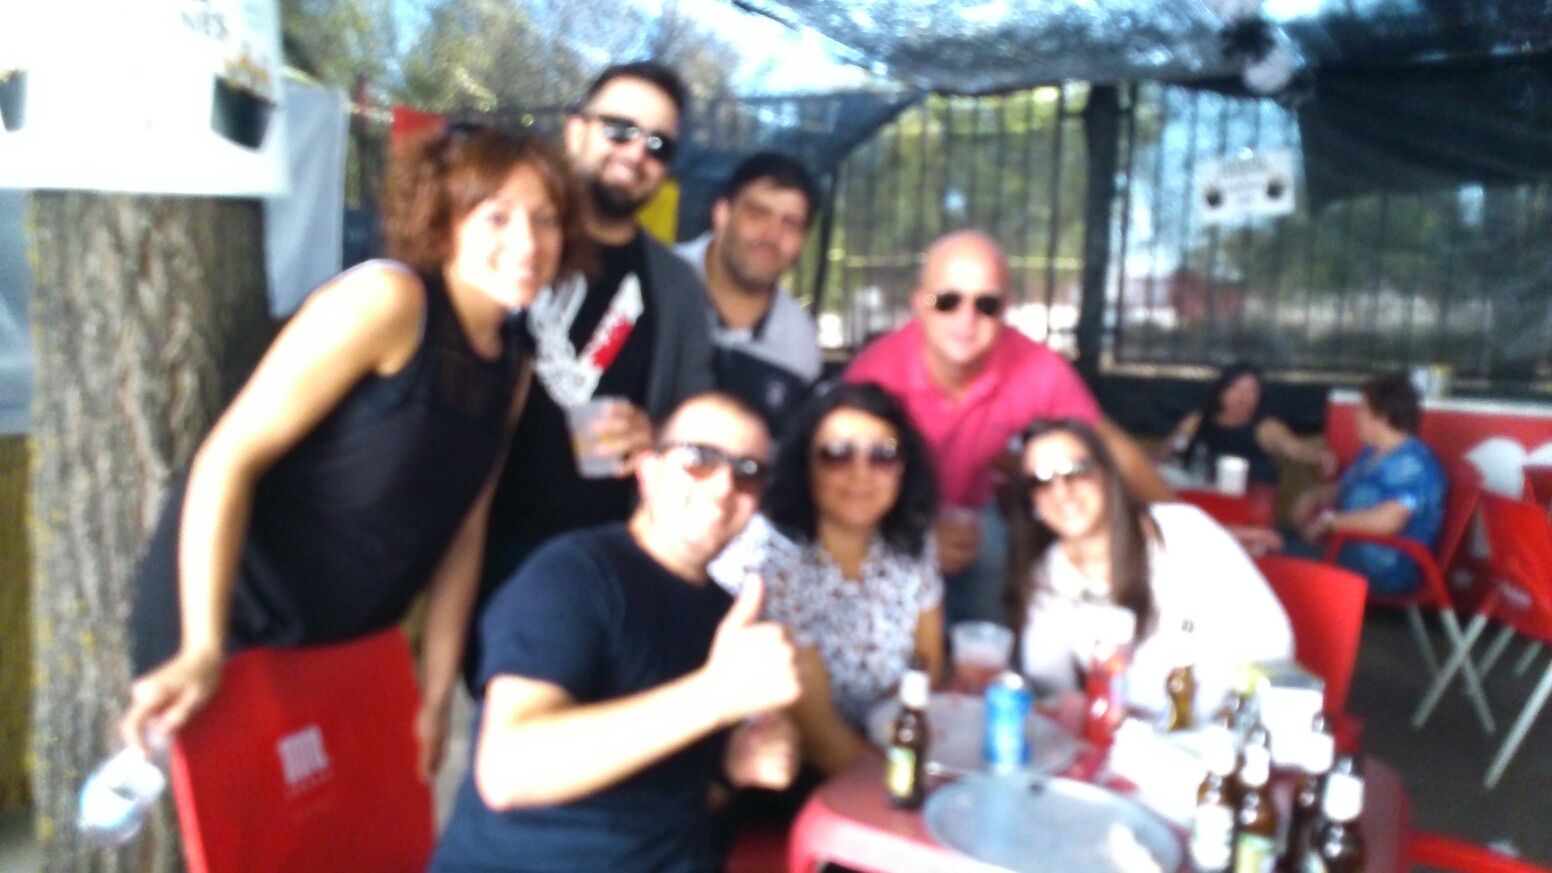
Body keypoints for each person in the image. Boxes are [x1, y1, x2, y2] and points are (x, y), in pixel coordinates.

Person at [121, 124, 588, 775]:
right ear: (444, 219)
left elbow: (466, 533)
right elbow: (227, 458)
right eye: (497, 217)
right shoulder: (387, 301)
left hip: (340, 640)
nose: (527, 243)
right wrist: (201, 645)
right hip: (229, 615)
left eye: (546, 220)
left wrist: (434, 694)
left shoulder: (513, 365)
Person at [431, 394, 801, 873]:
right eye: (700, 459)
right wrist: (714, 695)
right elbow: (507, 772)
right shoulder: (573, 576)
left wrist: (732, 770)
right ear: (648, 472)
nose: (724, 486)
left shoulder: (725, 615)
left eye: (748, 472)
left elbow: (658, 802)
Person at [476, 61, 715, 678]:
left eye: (658, 144)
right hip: (483, 543)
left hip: (609, 562)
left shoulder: (677, 286)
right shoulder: (511, 251)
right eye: (620, 129)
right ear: (576, 131)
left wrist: (658, 436)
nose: (636, 153)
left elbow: (697, 419)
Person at [845, 229, 1170, 628]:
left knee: (997, 585)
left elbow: (1109, 446)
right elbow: (835, 492)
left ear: (1005, 310)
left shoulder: (1032, 365)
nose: (967, 319)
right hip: (885, 518)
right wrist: (913, 538)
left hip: (972, 517)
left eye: (986, 304)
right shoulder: (876, 374)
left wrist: (1182, 529)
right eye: (947, 301)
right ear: (919, 305)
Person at [710, 382, 943, 776]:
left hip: (888, 752)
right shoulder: (769, 555)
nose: (860, 474)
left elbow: (928, 664)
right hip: (788, 773)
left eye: (883, 456)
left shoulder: (913, 542)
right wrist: (901, 783)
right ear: (805, 467)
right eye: (836, 454)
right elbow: (818, 737)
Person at [1013, 418, 1293, 717]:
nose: (1062, 491)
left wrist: (1206, 716)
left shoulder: (1186, 531)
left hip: (1218, 728)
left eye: (1076, 471)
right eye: (1041, 481)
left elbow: (1274, 642)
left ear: (1107, 474)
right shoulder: (1049, 574)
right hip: (1124, 737)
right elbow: (1049, 684)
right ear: (1034, 504)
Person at [675, 151, 823, 436]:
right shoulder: (655, 282)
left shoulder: (799, 342)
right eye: (757, 215)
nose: (771, 236)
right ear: (722, 215)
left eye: (790, 224)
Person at [1285, 372, 1445, 596]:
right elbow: (1347, 489)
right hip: (1346, 551)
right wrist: (1315, 497)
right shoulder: (1373, 452)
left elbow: (1389, 520)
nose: (1355, 415)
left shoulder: (1412, 464)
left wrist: (1328, 522)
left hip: (1382, 568)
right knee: (1270, 539)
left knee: (1269, 554)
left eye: (1362, 409)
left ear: (1383, 418)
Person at [1162, 362, 1335, 486]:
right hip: (1200, 498)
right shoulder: (1196, 421)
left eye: (1251, 391)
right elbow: (1165, 455)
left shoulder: (1267, 428)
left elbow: (1294, 449)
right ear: (1221, 392)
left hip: (1251, 504)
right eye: (1236, 389)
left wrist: (1320, 457)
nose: (1242, 397)